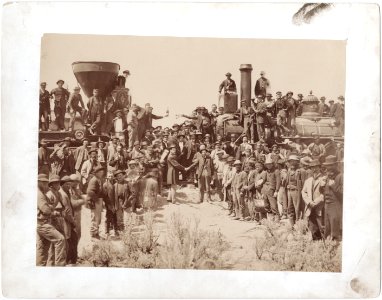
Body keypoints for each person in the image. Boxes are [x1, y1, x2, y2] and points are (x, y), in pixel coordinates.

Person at [36, 174, 66, 266]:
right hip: (43, 223)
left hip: (42, 223)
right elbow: (46, 209)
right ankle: (59, 268)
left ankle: (40, 268)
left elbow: (48, 207)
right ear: (39, 182)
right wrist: (53, 212)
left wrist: (50, 208)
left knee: (43, 248)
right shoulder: (40, 194)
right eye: (44, 183)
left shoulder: (44, 193)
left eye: (46, 182)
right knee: (60, 240)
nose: (46, 185)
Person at [301, 159, 325, 240]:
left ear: (319, 167)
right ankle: (316, 245)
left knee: (322, 227)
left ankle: (325, 245)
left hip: (320, 207)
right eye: (312, 168)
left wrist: (316, 202)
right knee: (312, 227)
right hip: (310, 207)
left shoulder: (324, 179)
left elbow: (325, 193)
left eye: (316, 167)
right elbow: (303, 192)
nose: (314, 169)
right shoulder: (308, 180)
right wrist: (309, 202)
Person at [322, 155, 343, 241]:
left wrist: (333, 186)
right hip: (327, 204)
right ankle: (327, 245)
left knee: (335, 226)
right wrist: (321, 186)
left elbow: (344, 192)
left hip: (336, 204)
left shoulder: (341, 176)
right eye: (327, 165)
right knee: (327, 226)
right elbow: (324, 192)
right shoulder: (327, 176)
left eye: (330, 165)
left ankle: (336, 245)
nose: (328, 167)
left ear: (335, 165)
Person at [59, 176, 78, 265]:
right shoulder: (63, 195)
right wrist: (73, 222)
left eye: (69, 185)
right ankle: (69, 261)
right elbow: (67, 211)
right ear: (62, 185)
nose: (68, 186)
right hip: (66, 221)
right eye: (66, 184)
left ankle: (71, 260)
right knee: (70, 240)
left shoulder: (66, 193)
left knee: (72, 239)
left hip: (67, 220)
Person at [86, 165, 106, 239]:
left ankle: (96, 233)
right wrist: (96, 200)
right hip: (94, 200)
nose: (102, 172)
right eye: (100, 171)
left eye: (102, 171)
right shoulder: (94, 180)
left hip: (98, 200)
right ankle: (93, 235)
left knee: (98, 218)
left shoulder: (98, 179)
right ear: (96, 173)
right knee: (95, 218)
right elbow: (90, 191)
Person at [262, 156, 281, 221]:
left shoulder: (276, 171)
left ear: (272, 164)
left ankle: (277, 217)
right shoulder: (266, 171)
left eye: (269, 164)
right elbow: (264, 181)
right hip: (265, 189)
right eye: (267, 164)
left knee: (273, 205)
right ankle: (271, 216)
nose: (268, 165)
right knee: (266, 204)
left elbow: (278, 181)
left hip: (272, 190)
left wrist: (276, 191)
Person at [285, 155, 302, 226]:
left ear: (297, 162)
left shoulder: (299, 171)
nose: (292, 163)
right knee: (290, 207)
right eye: (290, 161)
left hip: (296, 191)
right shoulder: (289, 171)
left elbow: (301, 184)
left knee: (297, 208)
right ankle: (291, 224)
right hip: (289, 191)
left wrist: (294, 187)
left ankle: (298, 224)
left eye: (293, 161)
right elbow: (287, 181)